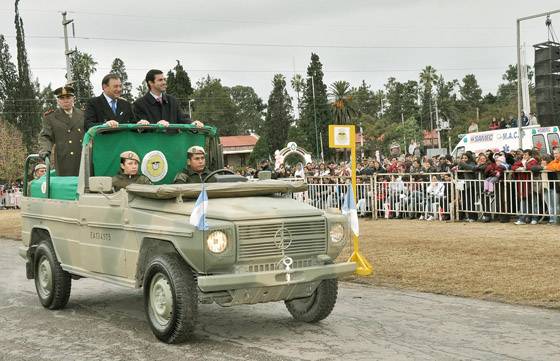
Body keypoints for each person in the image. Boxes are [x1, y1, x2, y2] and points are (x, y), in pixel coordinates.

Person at [38, 85, 85, 176]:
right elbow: (45, 136)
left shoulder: (83, 114)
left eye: (68, 97)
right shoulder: (51, 117)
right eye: (62, 98)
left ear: (73, 99)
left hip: (82, 157)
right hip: (63, 159)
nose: (65, 100)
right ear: (58, 101)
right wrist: (45, 149)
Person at [133, 69, 204, 128]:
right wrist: (157, 126)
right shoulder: (139, 104)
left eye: (164, 79)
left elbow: (182, 119)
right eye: (160, 80)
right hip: (151, 144)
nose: (164, 82)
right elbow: (140, 128)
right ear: (151, 82)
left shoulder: (173, 101)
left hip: (173, 143)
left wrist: (193, 123)